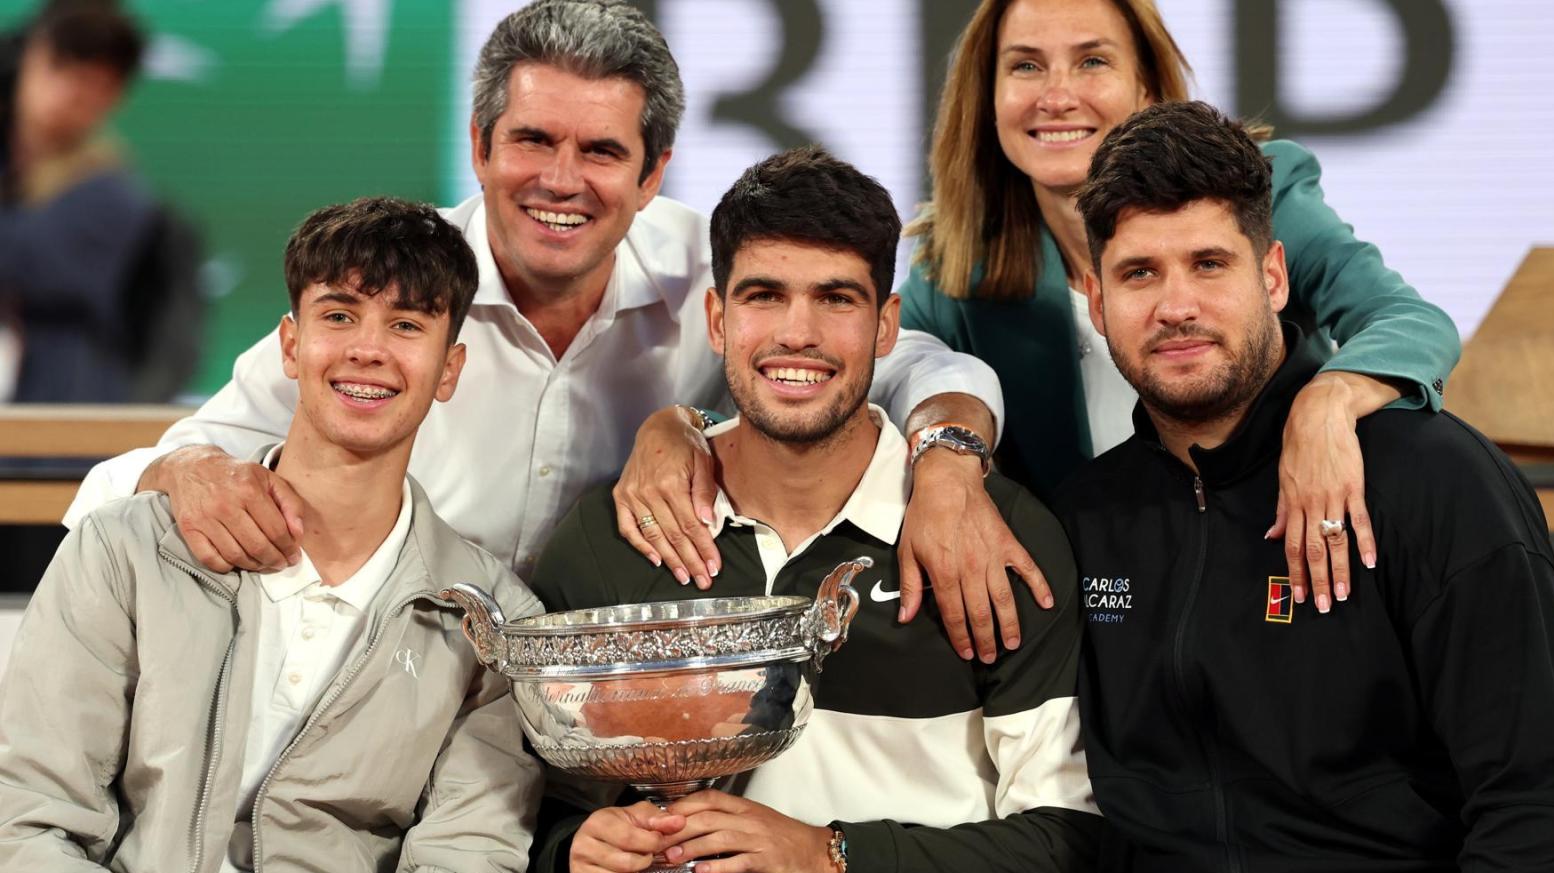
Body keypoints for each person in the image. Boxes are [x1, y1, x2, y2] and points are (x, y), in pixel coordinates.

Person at [61, 0, 1025, 653]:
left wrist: (943, 463)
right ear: (479, 147)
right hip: (385, 703)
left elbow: (921, 370)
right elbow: (131, 481)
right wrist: (189, 474)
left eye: (602, 151)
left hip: (605, 727)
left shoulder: (724, 279)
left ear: (654, 175)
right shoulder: (386, 292)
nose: (561, 180)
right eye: (532, 140)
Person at [1056, 101, 1554, 873]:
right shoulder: (1091, 518)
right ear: (1098, 303)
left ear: (1276, 277)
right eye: (1141, 274)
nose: (1176, 305)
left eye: (1209, 264)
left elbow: (1540, 802)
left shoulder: (1430, 475)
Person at [527, 146, 1103, 873]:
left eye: (836, 299)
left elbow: (1075, 855)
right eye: (766, 297)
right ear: (719, 319)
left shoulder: (991, 536)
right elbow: (521, 825)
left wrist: (829, 852)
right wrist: (573, 855)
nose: (798, 333)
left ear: (887, 325)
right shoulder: (616, 534)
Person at [0, 198, 544, 873]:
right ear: (291, 344)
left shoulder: (488, 619)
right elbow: (30, 817)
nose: (369, 350)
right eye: (340, 315)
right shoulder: (124, 549)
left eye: (408, 325)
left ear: (449, 369)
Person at [901, 0, 1464, 626]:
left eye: (1092, 61)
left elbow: (1408, 320)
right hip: (1127, 622)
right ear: (989, 96)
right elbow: (900, 367)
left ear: (1146, 85)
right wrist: (944, 456)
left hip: (1309, 586)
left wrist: (1324, 406)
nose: (1057, 96)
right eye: (1026, 66)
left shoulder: (1249, 193)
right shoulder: (958, 262)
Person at [0, 0, 157, 403]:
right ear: (31, 59)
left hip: (53, 414)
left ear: (115, 94)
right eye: (60, 69)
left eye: (93, 81)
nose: (70, 93)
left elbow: (29, 265)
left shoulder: (110, 192)